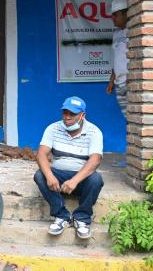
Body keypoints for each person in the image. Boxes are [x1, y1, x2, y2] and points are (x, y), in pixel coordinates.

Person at [33, 96, 104, 239]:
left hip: (81, 179)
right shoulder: (53, 128)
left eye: (72, 114)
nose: (67, 117)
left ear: (83, 115)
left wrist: (75, 180)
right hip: (58, 179)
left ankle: (82, 218)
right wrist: (50, 176)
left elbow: (95, 160)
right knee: (40, 175)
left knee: (96, 179)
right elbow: (41, 154)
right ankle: (61, 216)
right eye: (65, 113)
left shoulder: (94, 131)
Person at [106, 0, 129, 118]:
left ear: (126, 13)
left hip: (131, 83)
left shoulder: (135, 30)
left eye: (116, 15)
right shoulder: (116, 34)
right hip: (119, 84)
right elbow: (117, 58)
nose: (112, 18)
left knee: (137, 117)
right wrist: (111, 81)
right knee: (129, 118)